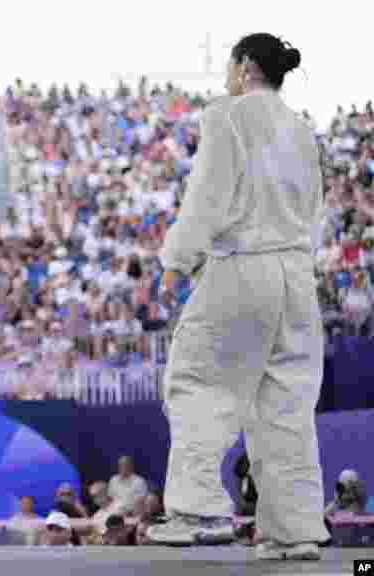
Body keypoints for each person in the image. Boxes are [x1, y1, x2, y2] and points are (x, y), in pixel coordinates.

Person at [146, 34, 329, 561]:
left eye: (231, 65)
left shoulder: (228, 116)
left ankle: (198, 511)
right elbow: (313, 210)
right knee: (286, 406)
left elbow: (208, 193)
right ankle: (294, 532)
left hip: (243, 267)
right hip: (296, 276)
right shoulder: (302, 130)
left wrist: (177, 259)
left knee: (200, 381)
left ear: (246, 66)